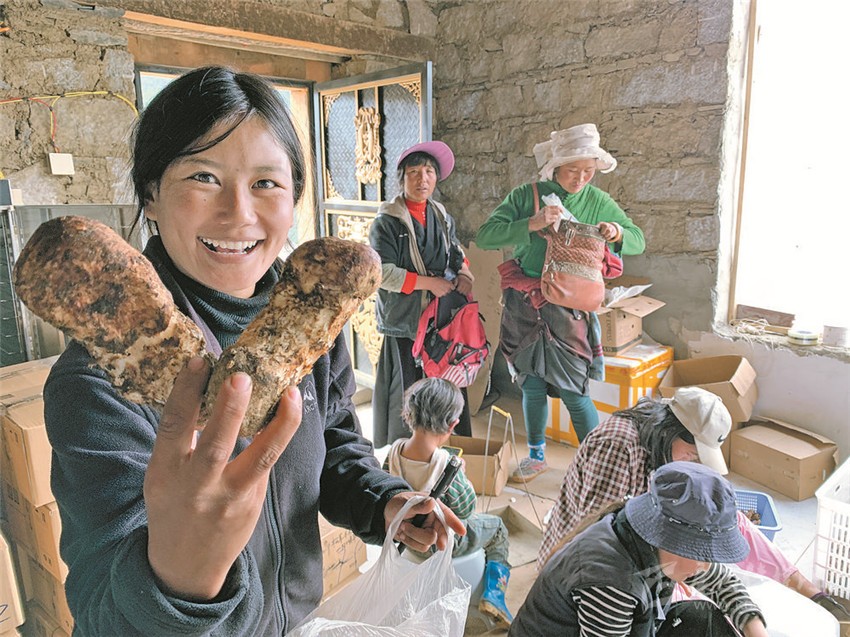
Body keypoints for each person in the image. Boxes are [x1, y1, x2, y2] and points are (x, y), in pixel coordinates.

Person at [41, 66, 464, 636]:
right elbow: (101, 615)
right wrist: (181, 578)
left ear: (294, 199)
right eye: (203, 176)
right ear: (150, 195)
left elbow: (336, 441)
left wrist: (387, 503)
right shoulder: (102, 380)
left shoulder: (310, 321)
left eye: (266, 182)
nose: (239, 212)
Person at [537, 386, 850, 623]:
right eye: (692, 454)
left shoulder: (662, 441)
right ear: (672, 431)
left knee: (730, 520)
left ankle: (800, 584)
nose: (694, 462)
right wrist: (677, 576)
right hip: (592, 562)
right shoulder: (619, 446)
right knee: (689, 605)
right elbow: (600, 530)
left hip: (644, 543)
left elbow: (715, 572)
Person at [476, 123, 645, 482]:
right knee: (532, 384)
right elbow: (487, 235)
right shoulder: (527, 196)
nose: (580, 179)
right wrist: (531, 223)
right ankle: (536, 455)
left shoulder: (598, 201)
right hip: (525, 304)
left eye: (588, 171)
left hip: (570, 311)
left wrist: (617, 233)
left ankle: (595, 465)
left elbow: (638, 239)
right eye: (572, 170)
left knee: (574, 389)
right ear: (554, 167)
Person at [511, 462, 770, 637]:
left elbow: (722, 584)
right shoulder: (612, 584)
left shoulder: (651, 543)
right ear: (671, 540)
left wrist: (755, 629)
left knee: (700, 618)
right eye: (702, 554)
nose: (706, 565)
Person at [369, 140, 476, 447]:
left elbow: (455, 252)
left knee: (445, 379)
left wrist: (465, 274)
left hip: (440, 320)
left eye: (429, 172)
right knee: (409, 386)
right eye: (414, 172)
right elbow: (381, 272)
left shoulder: (440, 215)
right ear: (402, 179)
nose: (422, 179)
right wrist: (429, 283)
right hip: (405, 319)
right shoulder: (387, 222)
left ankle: (446, 443)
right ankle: (407, 451)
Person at [383, 377, 513, 627]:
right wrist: (461, 474)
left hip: (406, 539)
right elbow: (466, 510)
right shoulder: (446, 465)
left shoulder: (394, 452)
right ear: (452, 424)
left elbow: (386, 490)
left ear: (408, 414)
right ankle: (494, 595)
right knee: (497, 528)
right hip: (441, 542)